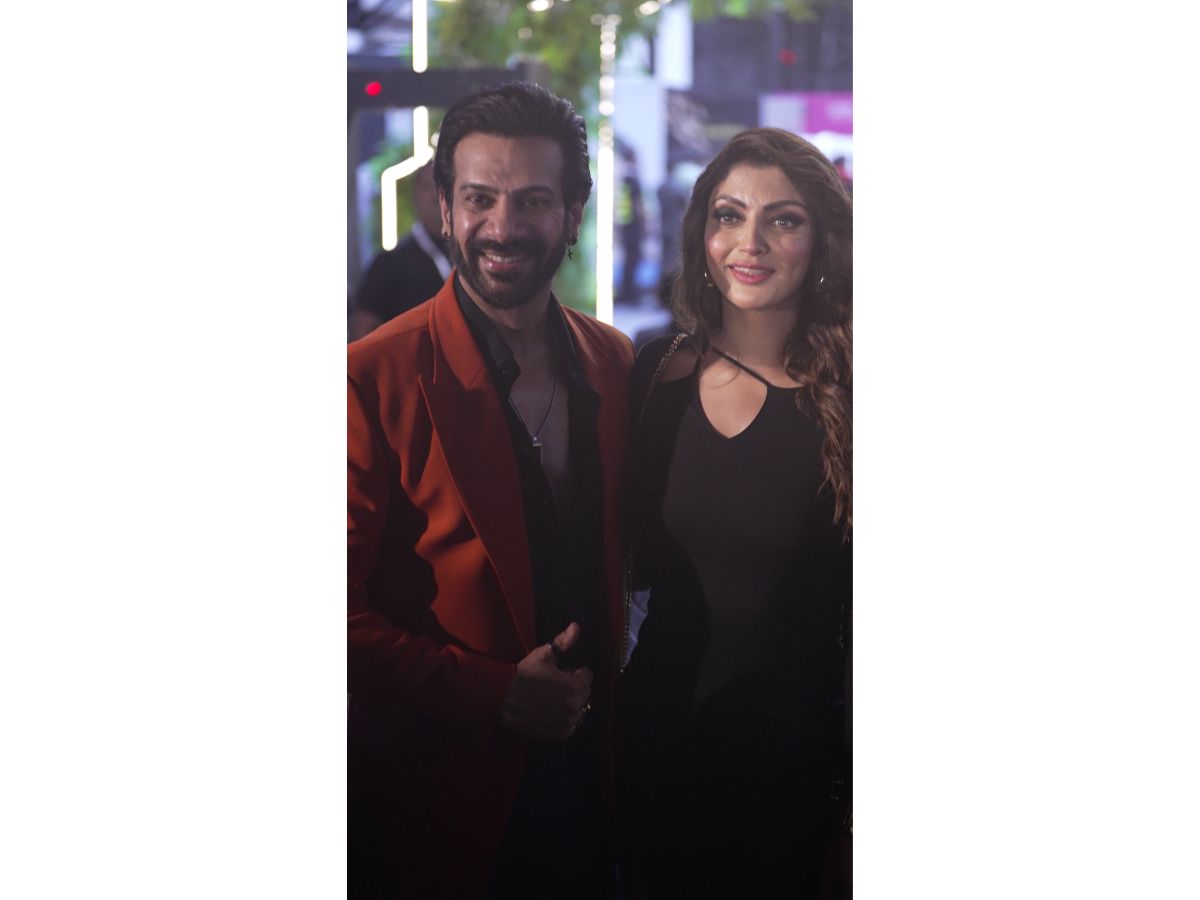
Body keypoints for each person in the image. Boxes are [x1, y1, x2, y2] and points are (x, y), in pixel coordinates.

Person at [347, 82, 635, 899]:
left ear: (574, 212)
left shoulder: (615, 364)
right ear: (444, 207)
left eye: (533, 201)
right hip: (435, 816)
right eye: (479, 198)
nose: (503, 227)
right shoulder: (370, 378)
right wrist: (495, 694)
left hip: (595, 803)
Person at [616, 128, 853, 899]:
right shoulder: (656, 374)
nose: (749, 243)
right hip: (654, 757)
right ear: (702, 233)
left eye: (782, 220)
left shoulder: (852, 396)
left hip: (795, 782)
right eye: (729, 215)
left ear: (821, 239)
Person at [349, 160, 452, 341]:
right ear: (415, 195)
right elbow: (363, 331)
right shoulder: (389, 264)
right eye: (428, 187)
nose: (435, 195)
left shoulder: (469, 257)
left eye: (442, 187)